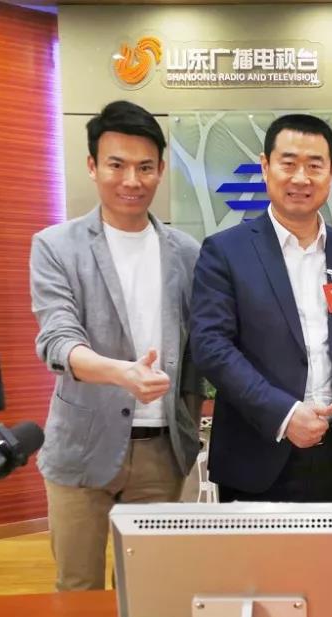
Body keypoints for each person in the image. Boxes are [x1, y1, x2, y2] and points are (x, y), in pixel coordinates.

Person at [30, 100, 203, 591]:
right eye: (117, 165)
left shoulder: (187, 253)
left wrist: (189, 423)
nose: (132, 180)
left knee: (147, 592)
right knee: (77, 590)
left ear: (161, 170)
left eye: (145, 167)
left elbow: (198, 351)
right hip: (81, 448)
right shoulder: (56, 246)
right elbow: (57, 339)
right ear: (92, 166)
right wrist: (122, 373)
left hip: (161, 453)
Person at [190, 114, 332, 502]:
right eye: (288, 163)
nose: (301, 178)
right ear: (265, 166)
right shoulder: (226, 252)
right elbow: (211, 347)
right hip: (256, 448)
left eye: (314, 165)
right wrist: (285, 414)